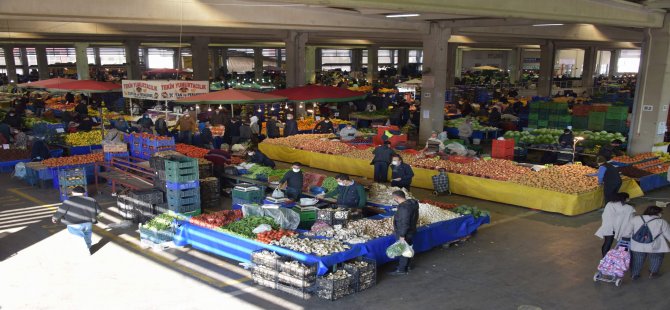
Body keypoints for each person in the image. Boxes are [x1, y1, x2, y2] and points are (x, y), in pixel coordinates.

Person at [625, 206, 670, 280]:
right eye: (661, 213)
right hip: (655, 246)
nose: (661, 214)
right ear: (657, 213)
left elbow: (627, 232)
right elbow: (668, 235)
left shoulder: (635, 219)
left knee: (637, 259)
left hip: (637, 245)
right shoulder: (662, 222)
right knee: (656, 258)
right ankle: (653, 273)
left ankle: (634, 274)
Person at [51, 186, 100, 253]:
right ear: (84, 193)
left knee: (79, 236)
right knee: (87, 234)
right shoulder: (92, 200)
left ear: (73, 192)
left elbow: (61, 211)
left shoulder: (68, 201)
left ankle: (85, 250)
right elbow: (99, 210)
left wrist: (55, 218)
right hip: (88, 223)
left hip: (74, 223)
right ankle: (88, 247)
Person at [389, 190, 419, 276]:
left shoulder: (403, 208)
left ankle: (402, 269)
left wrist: (402, 235)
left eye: (394, 198)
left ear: (397, 198)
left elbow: (404, 222)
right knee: (408, 247)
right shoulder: (412, 203)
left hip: (405, 232)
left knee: (403, 250)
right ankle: (408, 265)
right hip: (411, 230)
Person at [595, 193, 635, 257]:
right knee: (623, 244)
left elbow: (605, 215)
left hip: (608, 227)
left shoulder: (609, 204)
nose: (629, 199)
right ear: (624, 199)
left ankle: (605, 258)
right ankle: (621, 259)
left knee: (607, 243)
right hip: (622, 228)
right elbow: (631, 219)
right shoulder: (629, 208)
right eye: (628, 198)